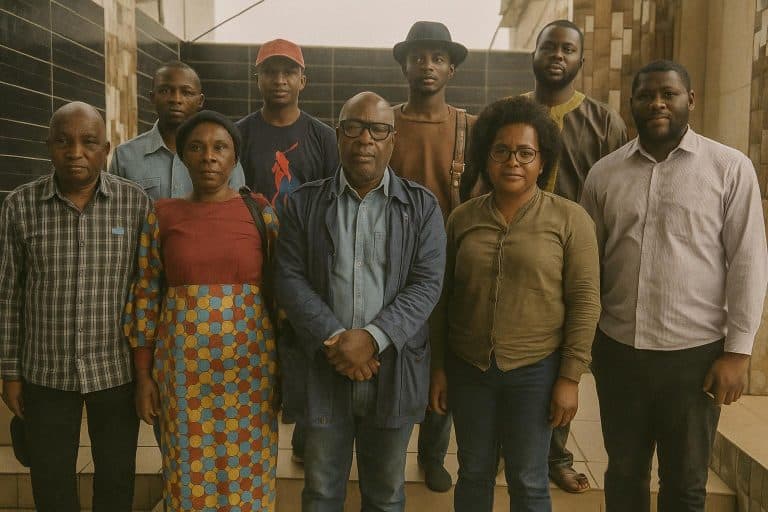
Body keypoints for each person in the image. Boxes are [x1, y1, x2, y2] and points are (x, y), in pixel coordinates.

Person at [580, 60, 768, 512]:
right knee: (624, 475)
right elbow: (587, 266)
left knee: (685, 484)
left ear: (691, 100)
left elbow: (748, 262)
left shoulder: (729, 168)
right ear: (632, 104)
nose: (657, 103)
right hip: (620, 353)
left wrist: (738, 352)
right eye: (646, 96)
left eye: (669, 94)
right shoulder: (604, 174)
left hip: (694, 358)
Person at [275, 92, 446, 512]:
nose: (365, 139)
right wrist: (337, 339)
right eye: (354, 127)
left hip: (393, 369)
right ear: (338, 135)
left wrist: (372, 339)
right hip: (324, 367)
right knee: (321, 492)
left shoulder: (422, 207)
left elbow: (427, 284)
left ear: (393, 140)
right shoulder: (303, 203)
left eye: (378, 130)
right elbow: (289, 278)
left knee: (386, 495)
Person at [430, 95, 601, 512]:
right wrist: (438, 367)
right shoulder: (462, 218)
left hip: (536, 372)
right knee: (473, 471)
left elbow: (585, 303)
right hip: (468, 369)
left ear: (542, 162)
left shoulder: (570, 219)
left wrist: (570, 378)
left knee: (528, 478)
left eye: (526, 153)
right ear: (486, 158)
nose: (513, 162)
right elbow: (442, 299)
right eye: (501, 151)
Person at [123, 110, 280, 511]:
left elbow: (281, 295)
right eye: (196, 147)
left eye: (219, 147)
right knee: (187, 475)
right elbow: (146, 296)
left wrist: (286, 369)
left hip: (249, 373)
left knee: (248, 475)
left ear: (234, 157)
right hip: (181, 376)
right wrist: (143, 375)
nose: (208, 156)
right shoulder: (162, 215)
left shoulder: (260, 212)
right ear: (183, 156)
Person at [0, 101, 151, 512]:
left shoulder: (135, 204)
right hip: (45, 372)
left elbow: (145, 291)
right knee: (51, 482)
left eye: (88, 142)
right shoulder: (19, 206)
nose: (75, 152)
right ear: (48, 145)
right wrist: (10, 373)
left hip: (115, 371)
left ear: (106, 149)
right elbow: (9, 296)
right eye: (63, 142)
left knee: (116, 480)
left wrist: (146, 371)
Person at [527, 19, 627, 493]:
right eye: (549, 47)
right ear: (534, 54)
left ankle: (555, 455)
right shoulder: (511, 112)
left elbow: (618, 197)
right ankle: (515, 447)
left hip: (577, 259)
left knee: (565, 358)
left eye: (567, 49)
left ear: (581, 61)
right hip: (517, 253)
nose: (557, 55)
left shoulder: (605, 122)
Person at [237, 39, 339, 462]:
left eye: (288, 72)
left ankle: (304, 435)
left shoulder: (323, 137)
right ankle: (249, 440)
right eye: (269, 71)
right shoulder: (240, 134)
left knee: (306, 343)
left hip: (306, 259)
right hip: (253, 257)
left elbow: (334, 200)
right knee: (256, 344)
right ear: (257, 78)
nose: (279, 80)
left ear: (302, 80)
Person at [390, 21, 477, 492]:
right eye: (418, 56)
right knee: (396, 356)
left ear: (452, 69)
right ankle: (389, 452)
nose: (427, 65)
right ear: (404, 64)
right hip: (391, 262)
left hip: (450, 263)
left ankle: (433, 455)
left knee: (445, 358)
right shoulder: (385, 122)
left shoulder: (470, 128)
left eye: (438, 58)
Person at [110, 60, 245, 199]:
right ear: (152, 97)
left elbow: (237, 206)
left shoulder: (224, 156)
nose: (176, 99)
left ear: (200, 101)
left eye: (186, 92)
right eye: (165, 91)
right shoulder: (125, 156)